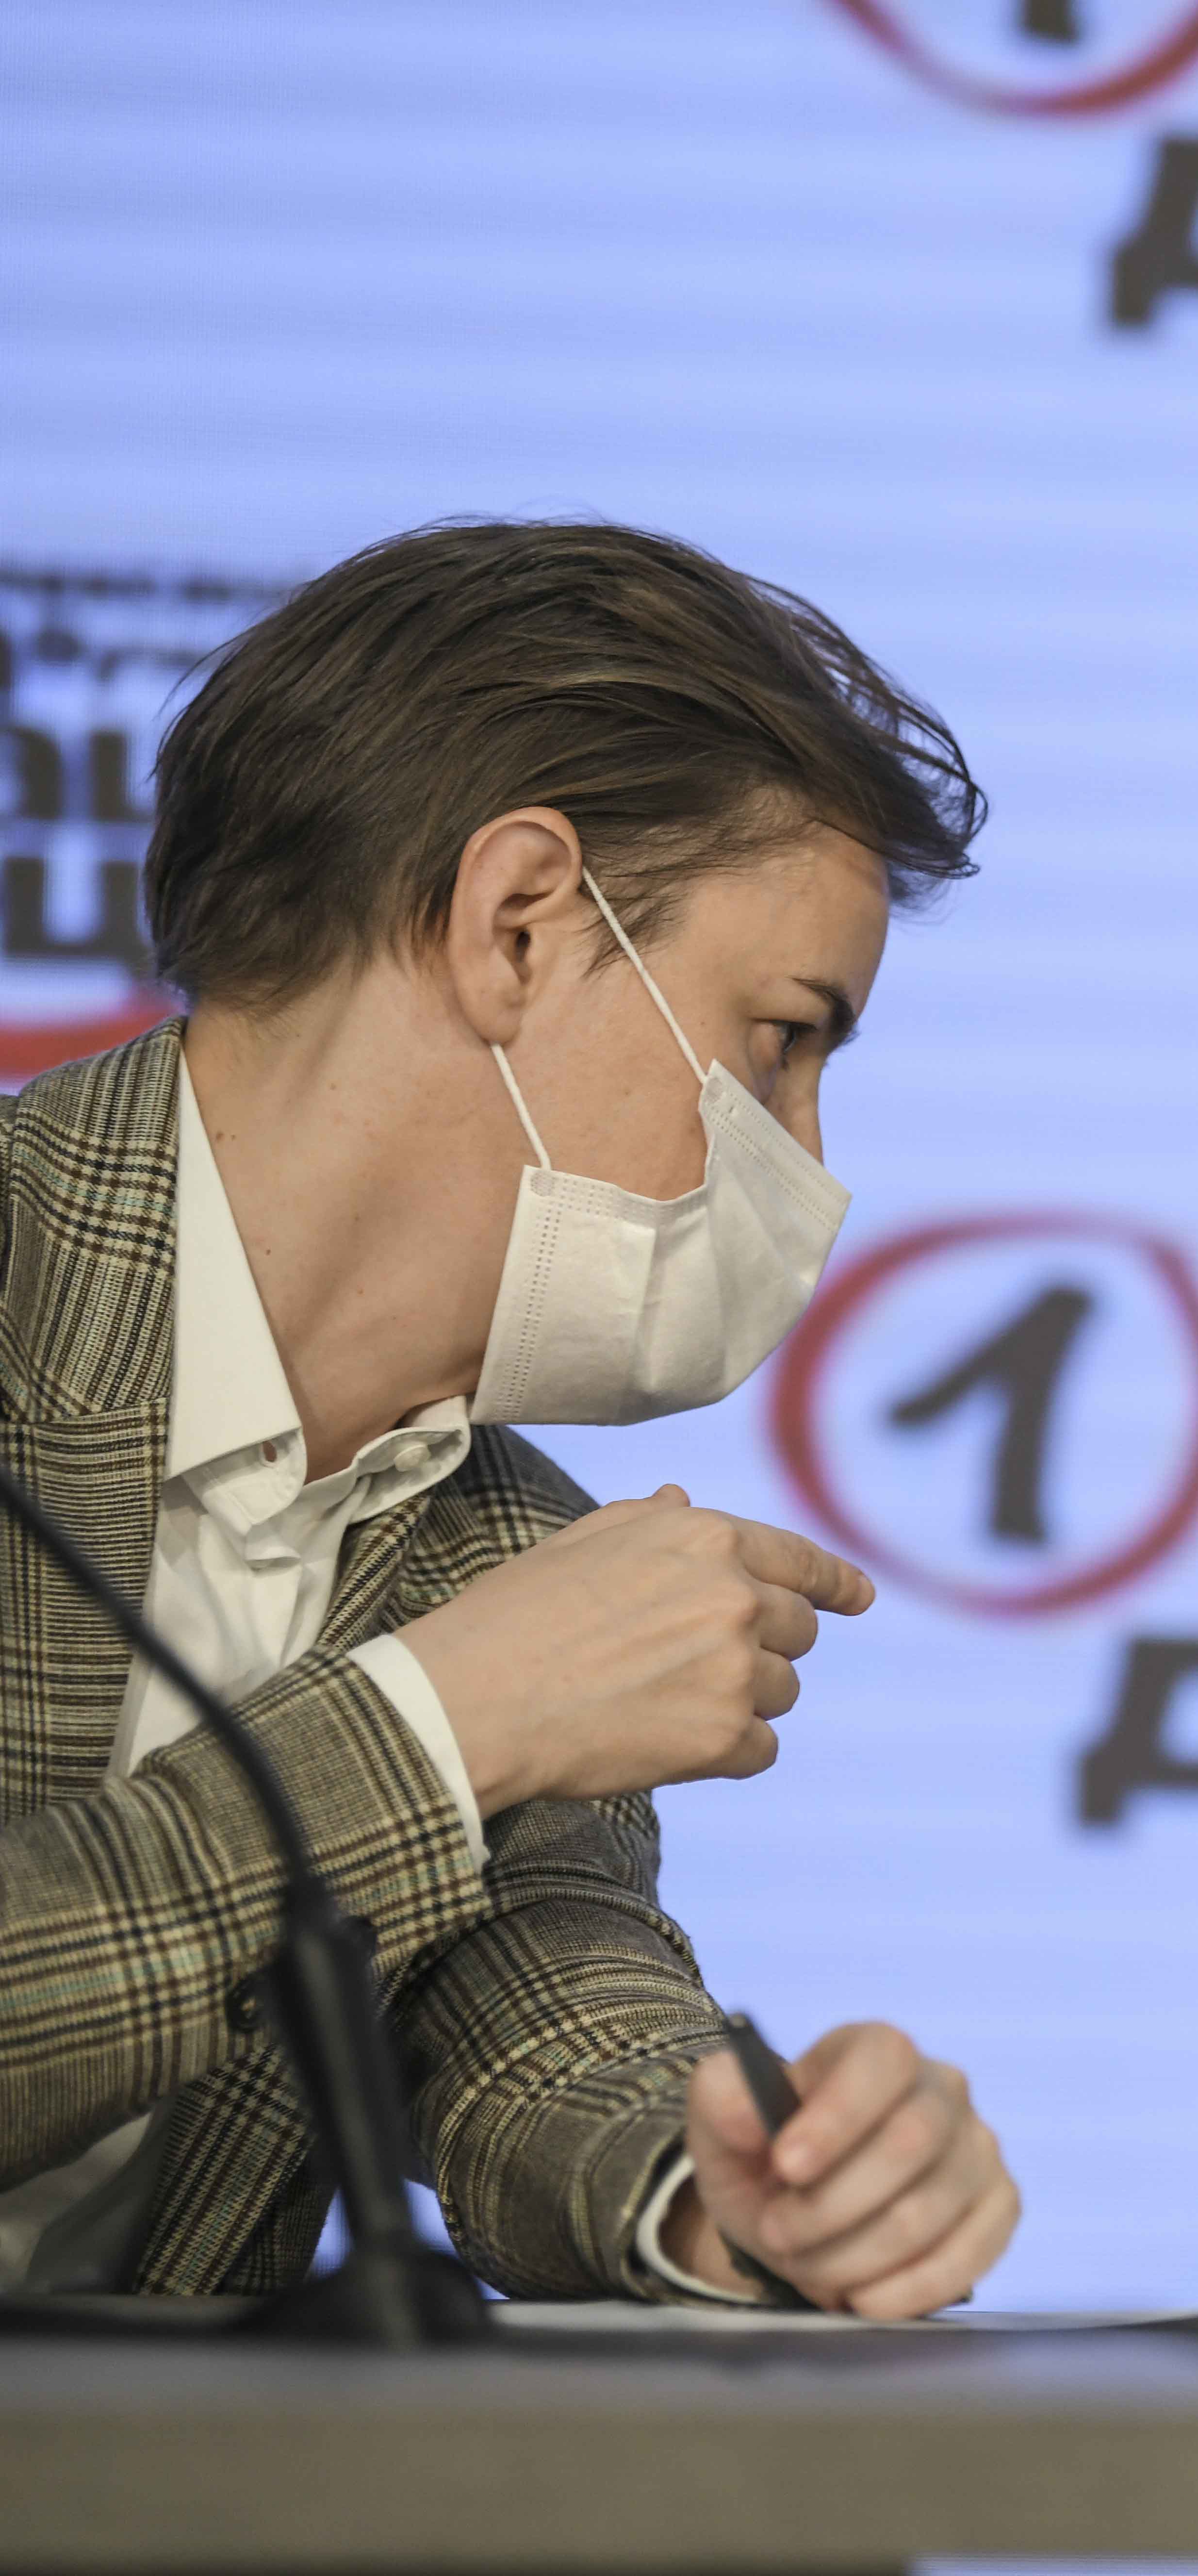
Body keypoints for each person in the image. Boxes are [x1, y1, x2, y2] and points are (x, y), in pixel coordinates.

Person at [0, 520, 1017, 2315]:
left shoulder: (494, 1535)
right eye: (782, 1039)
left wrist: (738, 2191)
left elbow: (546, 2024)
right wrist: (438, 1722)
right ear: (519, 923)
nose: (808, 1158)